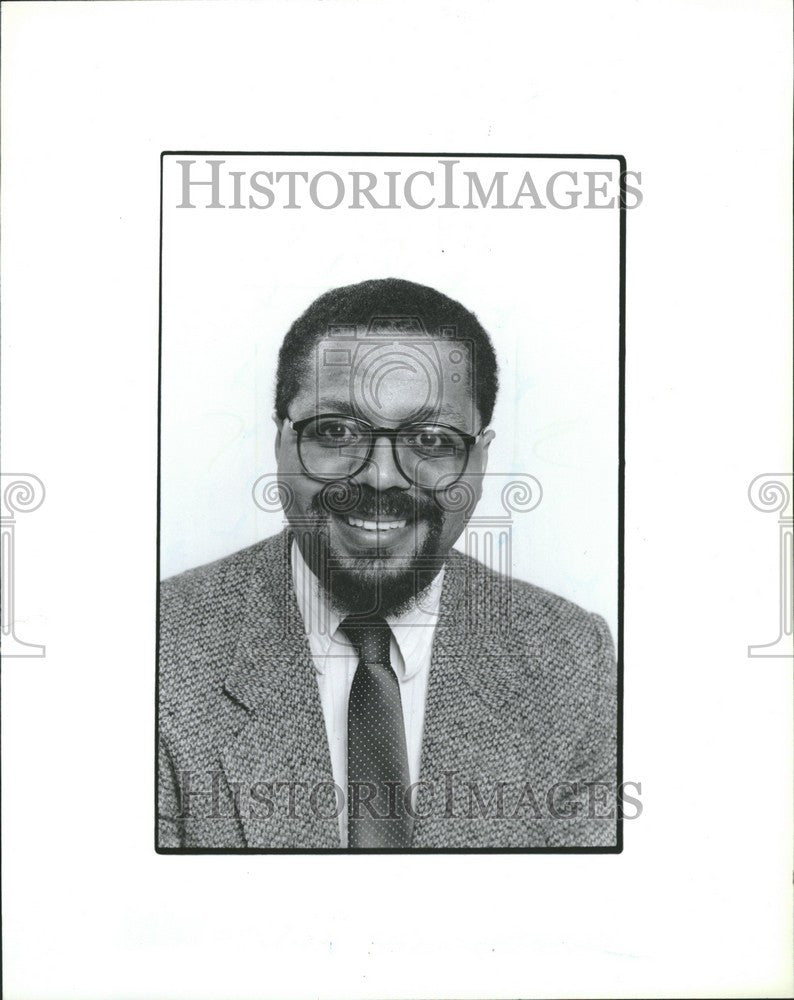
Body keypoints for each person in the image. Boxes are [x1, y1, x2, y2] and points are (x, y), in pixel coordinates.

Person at [158, 277, 617, 850]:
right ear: (279, 442)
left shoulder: (573, 662)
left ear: (481, 459)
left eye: (430, 439)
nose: (379, 476)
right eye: (335, 431)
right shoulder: (159, 650)